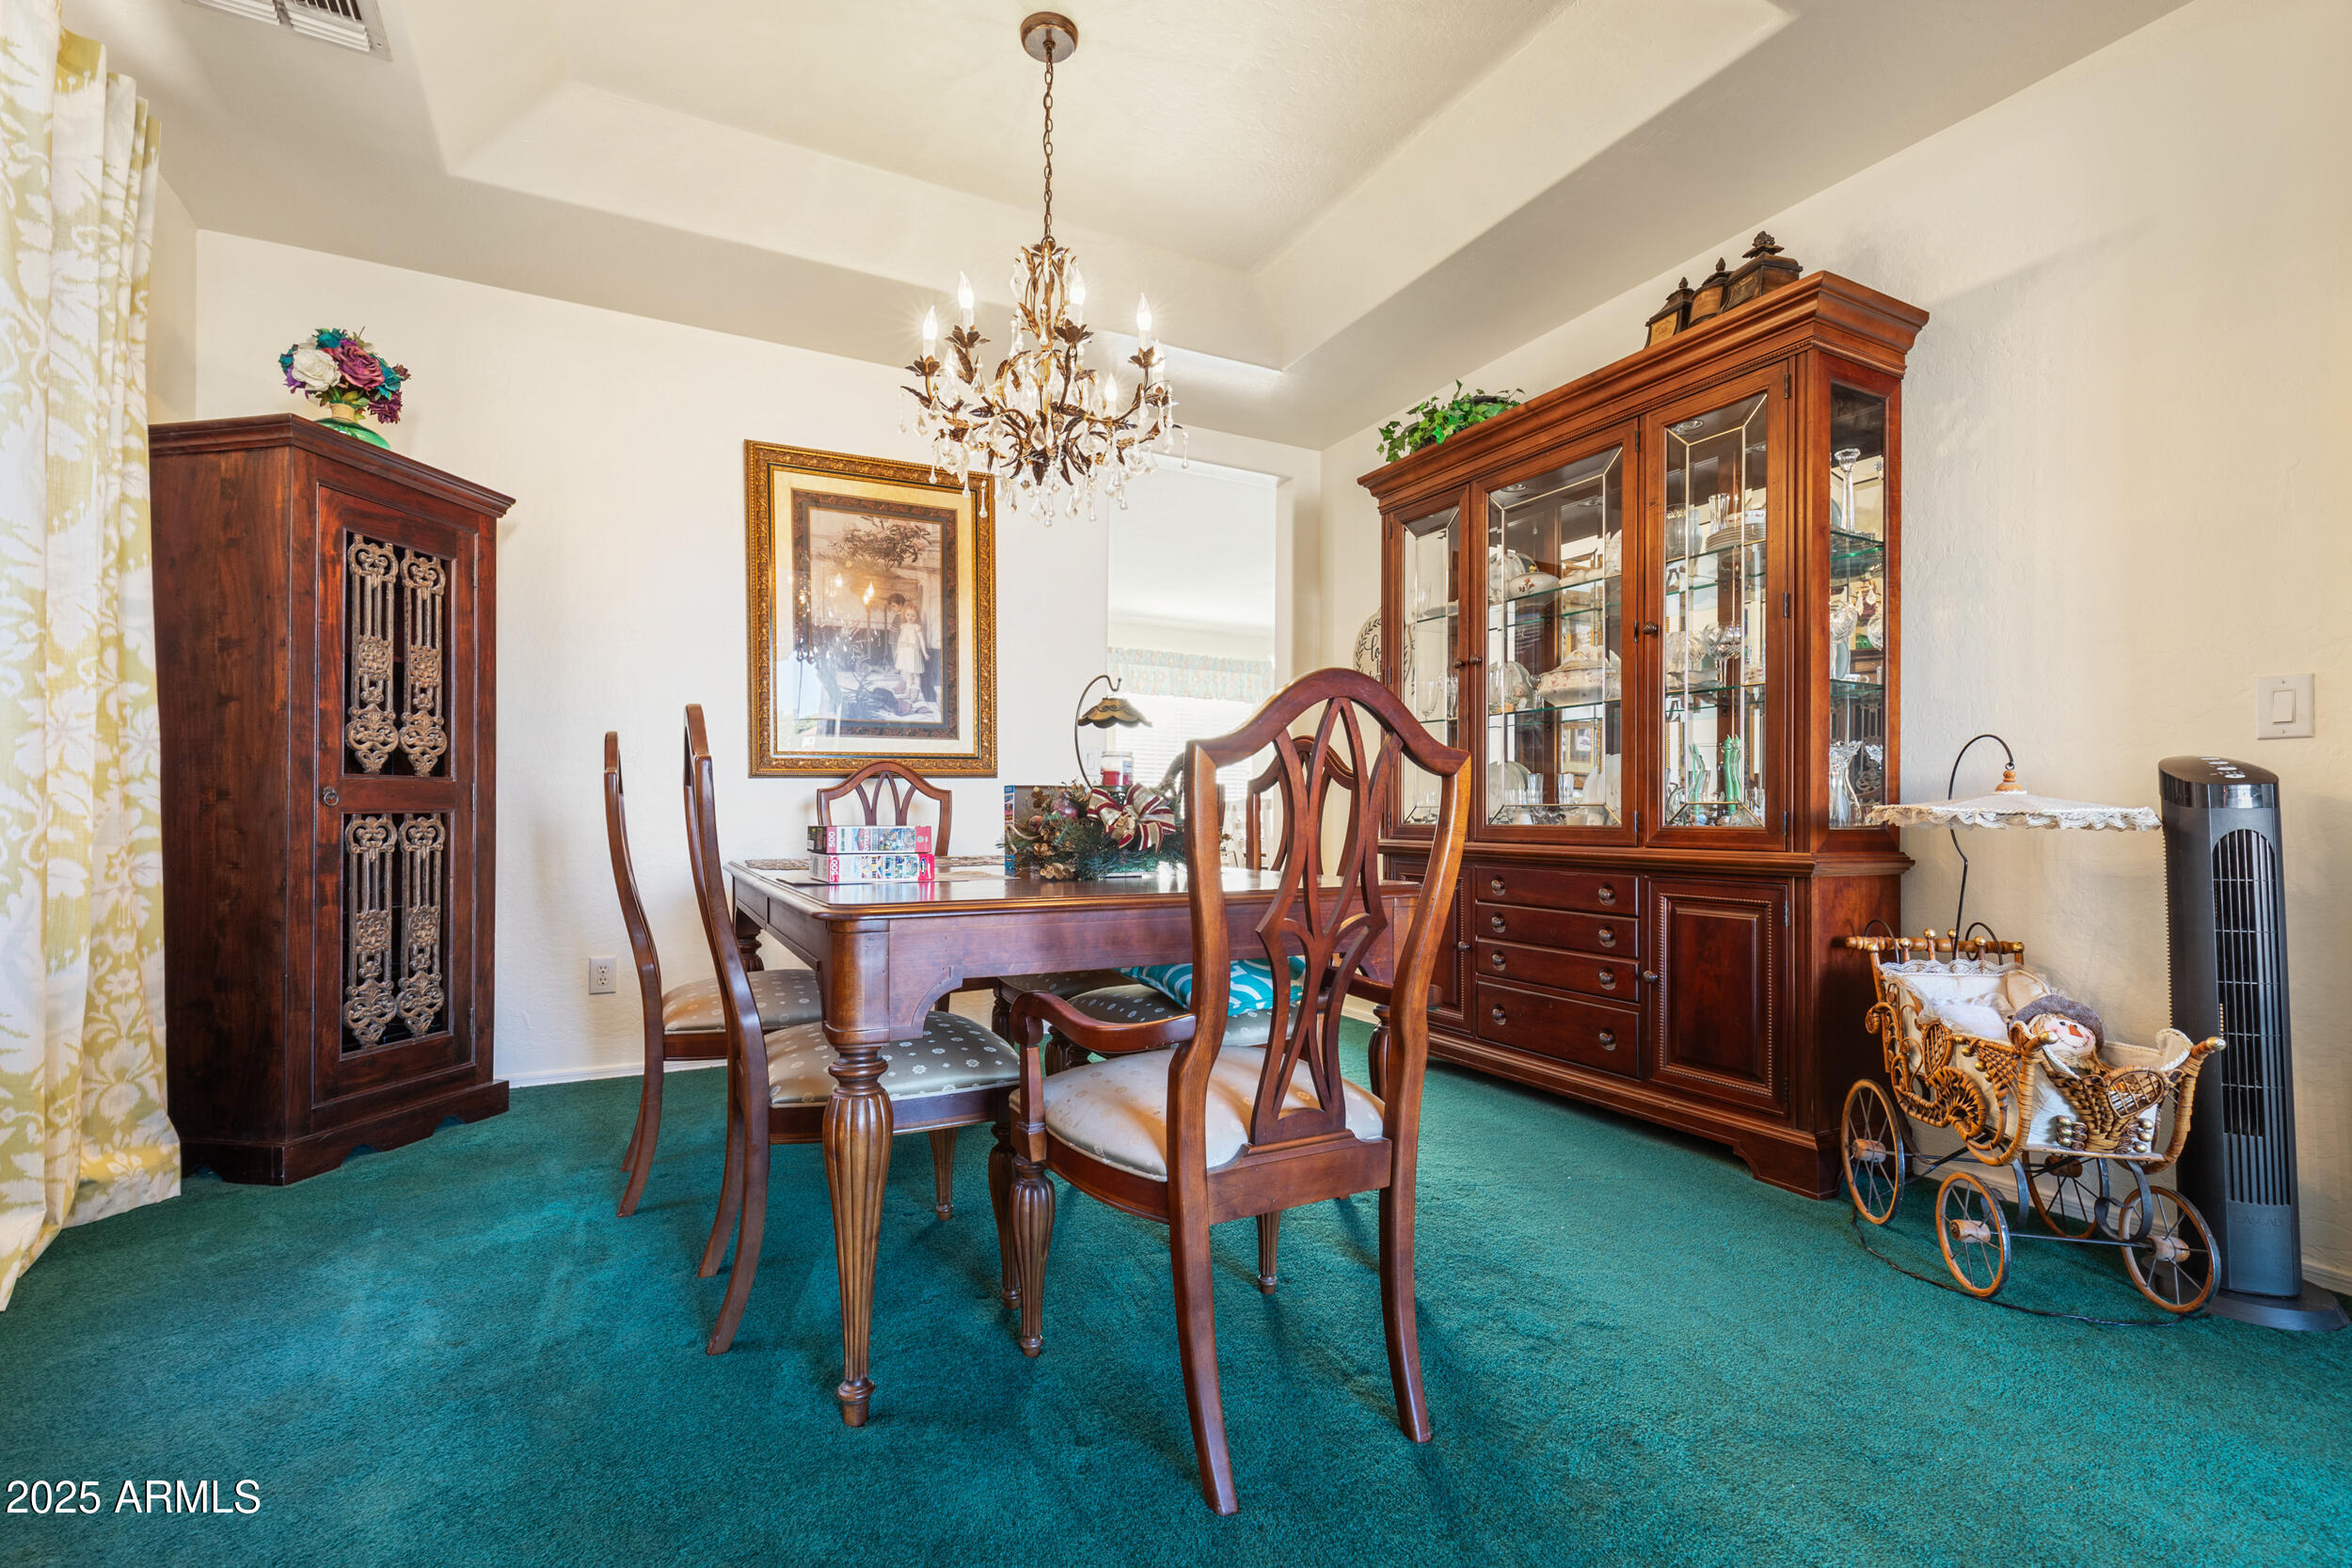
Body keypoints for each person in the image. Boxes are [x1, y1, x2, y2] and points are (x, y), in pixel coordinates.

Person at [891, 595, 929, 705]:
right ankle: (907, 692)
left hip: (914, 653)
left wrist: (925, 652)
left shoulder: (917, 627)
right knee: (908, 673)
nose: (910, 617)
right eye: (908, 615)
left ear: (916, 617)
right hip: (905, 652)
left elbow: (921, 640)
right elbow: (900, 638)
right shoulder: (904, 626)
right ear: (905, 615)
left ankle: (915, 692)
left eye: (913, 615)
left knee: (915, 674)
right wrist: (897, 650)